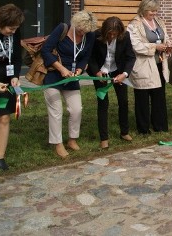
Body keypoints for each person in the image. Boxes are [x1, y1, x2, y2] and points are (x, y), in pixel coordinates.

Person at [42, 10, 97, 157]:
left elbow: (86, 56)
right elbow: (46, 50)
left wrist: (79, 69)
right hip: (53, 74)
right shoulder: (62, 29)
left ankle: (72, 140)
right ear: (75, 24)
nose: (82, 34)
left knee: (76, 109)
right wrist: (61, 69)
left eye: (85, 32)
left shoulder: (89, 35)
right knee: (56, 110)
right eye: (80, 30)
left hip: (72, 77)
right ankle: (57, 143)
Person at [87, 17, 136, 149]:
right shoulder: (95, 35)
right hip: (101, 72)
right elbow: (90, 56)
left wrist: (124, 74)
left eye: (115, 34)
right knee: (103, 103)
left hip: (118, 72)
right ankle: (104, 138)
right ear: (104, 31)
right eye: (110, 34)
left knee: (123, 101)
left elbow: (131, 57)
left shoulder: (125, 36)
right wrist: (96, 72)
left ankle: (124, 132)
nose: (112, 36)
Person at [127, 0, 172, 134]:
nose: (154, 13)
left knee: (159, 96)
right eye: (151, 11)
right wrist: (155, 46)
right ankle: (143, 128)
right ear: (143, 9)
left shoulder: (159, 21)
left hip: (159, 64)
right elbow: (135, 46)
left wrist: (168, 45)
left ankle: (160, 126)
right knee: (142, 96)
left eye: (156, 11)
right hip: (143, 65)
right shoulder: (134, 24)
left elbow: (166, 37)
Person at [0, 4, 24, 170]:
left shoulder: (15, 32)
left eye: (16, 28)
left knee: (3, 117)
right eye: (11, 28)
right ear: (0, 23)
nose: (13, 31)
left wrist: (15, 76)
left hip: (5, 82)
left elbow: (18, 57)